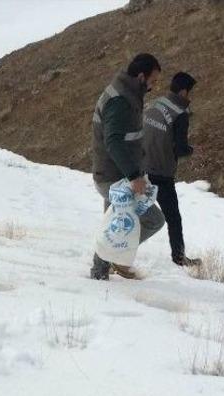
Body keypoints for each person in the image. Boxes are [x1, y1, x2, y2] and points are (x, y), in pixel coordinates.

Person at [90, 53, 165, 280]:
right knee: (153, 220)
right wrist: (134, 176)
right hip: (115, 177)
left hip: (115, 173)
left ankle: (100, 272)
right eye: (152, 81)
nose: (154, 86)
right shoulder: (120, 100)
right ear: (141, 76)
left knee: (112, 228)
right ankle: (113, 257)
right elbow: (113, 141)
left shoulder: (127, 93)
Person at [143, 72, 199, 266]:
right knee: (173, 218)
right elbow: (180, 148)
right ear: (183, 91)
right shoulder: (180, 114)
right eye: (190, 92)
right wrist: (192, 150)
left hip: (141, 169)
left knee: (134, 212)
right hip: (161, 172)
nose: (191, 96)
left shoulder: (156, 103)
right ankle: (179, 257)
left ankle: (114, 247)